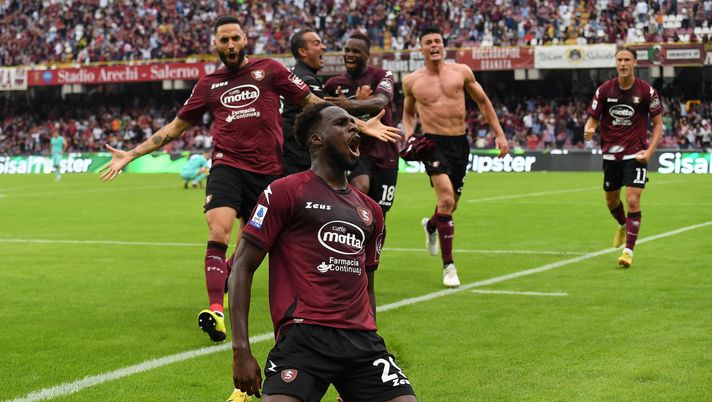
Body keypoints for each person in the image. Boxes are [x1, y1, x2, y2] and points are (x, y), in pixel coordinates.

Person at [97, 14, 399, 348]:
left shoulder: (269, 70)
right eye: (224, 40)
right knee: (218, 230)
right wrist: (130, 154)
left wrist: (359, 123)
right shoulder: (208, 85)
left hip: (268, 172)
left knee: (261, 246)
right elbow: (173, 129)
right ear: (215, 45)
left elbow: (314, 104)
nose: (230, 45)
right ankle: (216, 311)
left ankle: (303, 308)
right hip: (227, 166)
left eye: (235, 38)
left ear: (245, 40)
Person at [227, 103, 417, 402]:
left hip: (362, 342)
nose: (355, 128)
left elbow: (368, 286)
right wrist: (241, 350)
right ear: (317, 139)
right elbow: (242, 267)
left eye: (354, 124)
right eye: (343, 123)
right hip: (304, 338)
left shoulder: (372, 211)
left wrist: (370, 333)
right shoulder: (284, 192)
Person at [401, 26, 509, 288]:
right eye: (429, 42)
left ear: (443, 45)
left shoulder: (461, 72)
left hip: (460, 144)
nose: (434, 45)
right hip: (432, 144)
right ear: (421, 48)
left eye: (437, 41)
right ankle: (449, 267)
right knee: (446, 199)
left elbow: (483, 101)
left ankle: (430, 227)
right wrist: (408, 137)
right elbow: (408, 113)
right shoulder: (412, 81)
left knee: (451, 205)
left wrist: (500, 134)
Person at [584, 47, 663, 268]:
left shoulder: (647, 91)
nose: (622, 64)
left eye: (627, 59)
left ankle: (628, 251)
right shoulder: (604, 90)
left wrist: (649, 152)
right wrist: (588, 129)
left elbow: (658, 125)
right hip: (610, 154)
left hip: (636, 153)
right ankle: (621, 224)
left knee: (633, 199)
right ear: (615, 63)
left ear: (635, 63)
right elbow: (592, 119)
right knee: (611, 201)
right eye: (619, 60)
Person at [324, 32, 399, 217]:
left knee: (380, 214)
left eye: (356, 51)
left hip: (385, 152)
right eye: (347, 50)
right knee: (360, 188)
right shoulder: (333, 84)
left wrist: (349, 105)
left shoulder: (383, 75)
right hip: (356, 149)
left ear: (367, 54)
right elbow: (326, 112)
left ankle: (372, 245)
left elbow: (381, 102)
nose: (349, 54)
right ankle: (350, 238)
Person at [281, 28, 327, 176]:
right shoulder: (305, 78)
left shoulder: (291, 74)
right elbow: (328, 113)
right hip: (298, 159)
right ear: (303, 52)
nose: (323, 47)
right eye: (317, 43)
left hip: (284, 156)